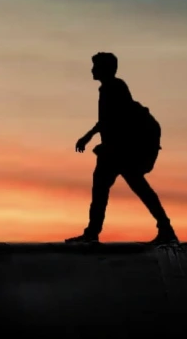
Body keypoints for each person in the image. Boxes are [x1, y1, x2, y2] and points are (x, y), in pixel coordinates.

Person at [65, 52, 179, 244]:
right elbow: (105, 120)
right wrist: (89, 136)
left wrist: (91, 137)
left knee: (132, 187)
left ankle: (165, 229)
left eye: (96, 66)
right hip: (114, 150)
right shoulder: (108, 89)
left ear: (105, 69)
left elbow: (116, 119)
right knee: (109, 188)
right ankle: (93, 232)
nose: (92, 70)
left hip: (120, 151)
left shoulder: (116, 88)